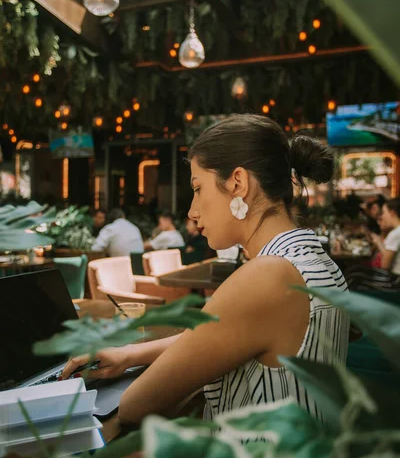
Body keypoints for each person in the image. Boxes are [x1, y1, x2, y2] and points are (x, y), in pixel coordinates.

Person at [61, 114, 349, 426]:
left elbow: (134, 406)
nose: (192, 210)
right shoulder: (314, 259)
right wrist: (130, 354)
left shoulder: (266, 277)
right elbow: (217, 336)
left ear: (238, 183)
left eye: (198, 188)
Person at [371, 198, 400, 275]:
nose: (382, 216)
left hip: (392, 282)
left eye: (384, 212)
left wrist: (379, 243)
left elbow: (385, 266)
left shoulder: (395, 234)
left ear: (392, 213)